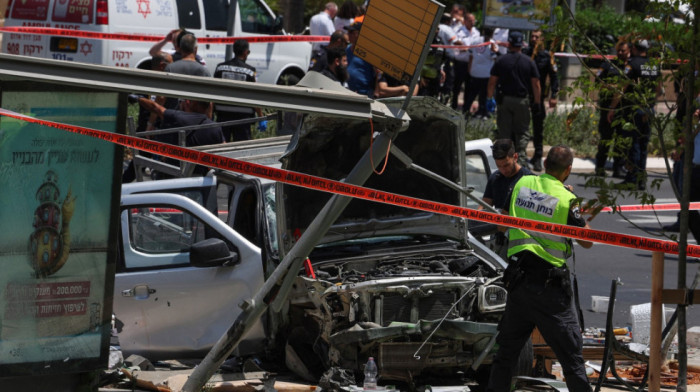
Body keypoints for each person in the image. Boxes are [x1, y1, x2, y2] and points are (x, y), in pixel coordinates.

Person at [487, 145, 596, 392]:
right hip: (550, 291)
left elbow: (502, 225)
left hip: (520, 284)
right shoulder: (567, 199)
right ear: (568, 170)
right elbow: (587, 241)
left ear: (545, 165)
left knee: (506, 355)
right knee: (571, 359)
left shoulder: (521, 185)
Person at [607, 39, 661, 191]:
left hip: (634, 110)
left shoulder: (632, 65)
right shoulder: (654, 65)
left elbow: (621, 88)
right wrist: (651, 102)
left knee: (634, 145)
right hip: (648, 108)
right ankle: (642, 180)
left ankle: (632, 179)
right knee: (644, 145)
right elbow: (659, 88)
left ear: (634, 48)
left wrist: (612, 108)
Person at [487, 30, 541, 168]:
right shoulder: (528, 61)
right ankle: (521, 160)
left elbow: (492, 82)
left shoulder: (501, 60)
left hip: (504, 100)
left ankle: (504, 160)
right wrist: (537, 102)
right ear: (522, 44)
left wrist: (489, 98)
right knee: (522, 131)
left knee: (504, 132)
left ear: (509, 44)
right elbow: (536, 84)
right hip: (522, 101)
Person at [135, 97, 225, 176]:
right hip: (200, 179)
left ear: (191, 103)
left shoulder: (177, 117)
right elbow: (223, 150)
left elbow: (155, 107)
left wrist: (138, 98)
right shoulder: (215, 128)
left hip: (174, 175)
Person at [481, 139, 533, 257]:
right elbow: (484, 206)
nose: (503, 170)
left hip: (522, 243)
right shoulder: (495, 178)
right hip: (500, 239)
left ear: (515, 157)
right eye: (499, 166)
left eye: (506, 165)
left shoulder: (529, 179)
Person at [523, 29, 560, 172]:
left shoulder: (547, 56)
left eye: (536, 37)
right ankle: (521, 155)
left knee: (538, 129)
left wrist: (554, 95)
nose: (533, 39)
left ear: (542, 39)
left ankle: (537, 157)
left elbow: (554, 77)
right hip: (524, 96)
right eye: (532, 36)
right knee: (522, 128)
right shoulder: (525, 53)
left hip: (539, 97)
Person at [213, 39, 264, 141]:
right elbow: (254, 96)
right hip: (243, 119)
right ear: (245, 52)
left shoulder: (220, 68)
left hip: (222, 115)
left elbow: (213, 92)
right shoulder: (250, 71)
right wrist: (261, 117)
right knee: (242, 150)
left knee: (221, 147)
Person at [594, 41, 630, 178]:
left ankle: (618, 168)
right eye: (619, 50)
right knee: (605, 138)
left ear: (629, 51)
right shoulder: (608, 65)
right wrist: (612, 86)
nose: (620, 53)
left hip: (623, 109)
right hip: (607, 107)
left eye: (623, 51)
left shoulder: (630, 67)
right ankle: (600, 167)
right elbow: (598, 81)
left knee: (621, 141)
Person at [464, 27, 498, 119]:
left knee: (472, 94)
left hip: (475, 72)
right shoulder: (492, 43)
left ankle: (466, 111)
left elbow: (471, 56)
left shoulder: (475, 41)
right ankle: (483, 112)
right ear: (492, 33)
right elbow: (495, 58)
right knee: (484, 94)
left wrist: (469, 69)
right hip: (486, 73)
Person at [345, 21, 375, 97]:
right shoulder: (346, 50)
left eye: (352, 32)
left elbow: (377, 73)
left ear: (360, 34)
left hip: (365, 93)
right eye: (348, 32)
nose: (349, 34)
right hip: (347, 91)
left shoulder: (368, 52)